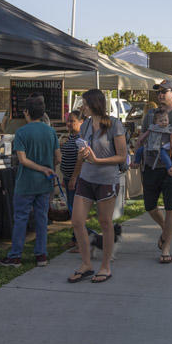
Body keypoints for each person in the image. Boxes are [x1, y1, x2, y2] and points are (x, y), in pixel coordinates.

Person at [68, 89, 127, 284]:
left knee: (105, 222)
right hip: (86, 178)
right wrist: (76, 174)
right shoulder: (84, 125)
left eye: (84, 103)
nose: (81, 107)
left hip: (106, 180)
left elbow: (122, 156)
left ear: (94, 103)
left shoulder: (114, 124)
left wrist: (97, 160)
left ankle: (105, 266)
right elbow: (83, 151)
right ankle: (86, 264)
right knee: (77, 221)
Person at [0, 96, 59, 269]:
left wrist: (41, 168)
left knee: (21, 219)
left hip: (26, 182)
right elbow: (58, 157)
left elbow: (23, 160)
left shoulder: (22, 132)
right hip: (45, 183)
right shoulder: (51, 131)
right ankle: (41, 255)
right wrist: (48, 169)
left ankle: (16, 256)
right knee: (41, 219)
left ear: (26, 112)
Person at [142, 80, 172, 264]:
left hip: (171, 167)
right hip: (150, 166)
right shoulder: (149, 116)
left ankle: (166, 247)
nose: (160, 95)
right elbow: (143, 137)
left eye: (164, 91)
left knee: (171, 207)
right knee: (149, 206)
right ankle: (166, 230)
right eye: (158, 92)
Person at [60, 110, 83, 216]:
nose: (68, 123)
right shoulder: (69, 137)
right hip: (68, 177)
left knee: (75, 207)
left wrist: (73, 178)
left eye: (72, 121)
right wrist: (65, 177)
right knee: (71, 205)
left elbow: (80, 160)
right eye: (68, 121)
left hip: (76, 179)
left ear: (81, 122)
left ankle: (78, 230)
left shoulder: (81, 139)